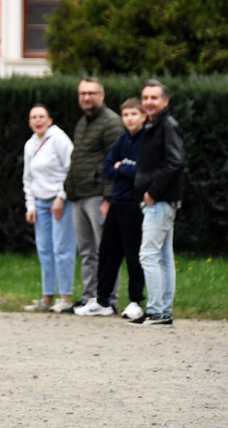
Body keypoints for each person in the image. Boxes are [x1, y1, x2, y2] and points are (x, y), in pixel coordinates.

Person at [75, 98, 147, 319]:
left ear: (143, 116)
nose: (129, 119)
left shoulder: (147, 140)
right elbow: (107, 167)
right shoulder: (122, 139)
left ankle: (135, 300)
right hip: (117, 201)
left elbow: (142, 171)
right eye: (125, 115)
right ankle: (103, 300)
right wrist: (124, 168)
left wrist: (122, 168)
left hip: (134, 204)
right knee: (107, 252)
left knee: (133, 253)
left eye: (134, 114)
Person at [63, 78, 125, 312]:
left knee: (106, 250)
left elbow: (115, 161)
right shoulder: (83, 122)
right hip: (80, 195)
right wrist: (69, 188)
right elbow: (78, 157)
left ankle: (108, 298)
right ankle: (90, 296)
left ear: (102, 95)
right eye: (82, 94)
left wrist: (109, 198)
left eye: (91, 93)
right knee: (87, 250)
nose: (86, 98)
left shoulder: (111, 123)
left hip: (99, 196)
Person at [128, 80, 185, 327]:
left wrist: (152, 191)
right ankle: (163, 311)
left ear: (165, 101)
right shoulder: (154, 125)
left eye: (154, 98)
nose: (149, 102)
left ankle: (156, 311)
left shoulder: (167, 126)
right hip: (161, 199)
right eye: (146, 97)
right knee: (162, 255)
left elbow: (175, 162)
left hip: (161, 200)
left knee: (149, 254)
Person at [22, 104, 77, 313]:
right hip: (40, 202)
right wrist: (31, 205)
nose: (38, 121)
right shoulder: (30, 145)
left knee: (62, 249)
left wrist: (62, 197)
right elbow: (28, 178)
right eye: (33, 117)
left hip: (59, 201)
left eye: (41, 117)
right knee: (44, 249)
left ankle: (65, 298)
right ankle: (47, 299)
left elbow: (71, 169)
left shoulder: (59, 139)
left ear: (50, 120)